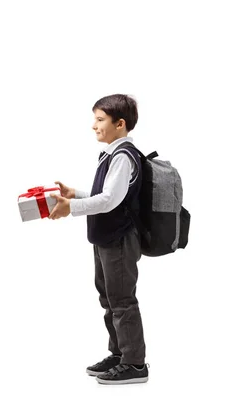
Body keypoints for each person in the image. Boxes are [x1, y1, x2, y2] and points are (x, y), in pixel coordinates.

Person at [48, 94, 148, 384]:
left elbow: (110, 201)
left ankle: (135, 364)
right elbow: (105, 196)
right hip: (106, 238)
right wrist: (74, 195)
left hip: (119, 239)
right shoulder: (112, 154)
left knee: (122, 300)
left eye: (100, 119)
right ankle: (119, 354)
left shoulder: (123, 156)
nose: (94, 125)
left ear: (120, 124)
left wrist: (72, 208)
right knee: (109, 298)